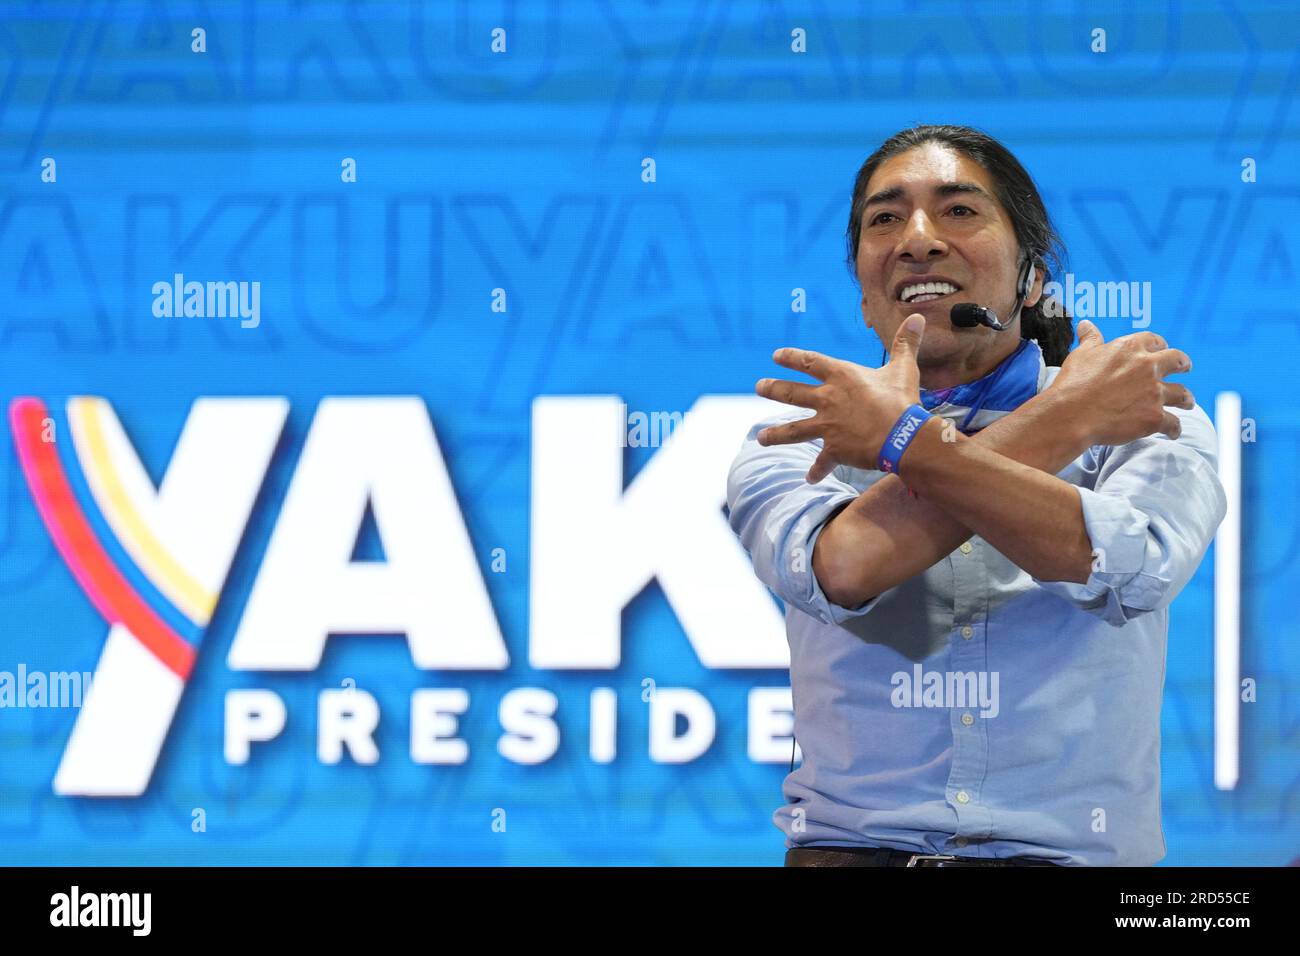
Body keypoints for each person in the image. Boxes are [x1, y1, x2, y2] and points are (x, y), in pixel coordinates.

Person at [725, 125, 1227, 867]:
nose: (917, 239)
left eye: (959, 211)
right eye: (884, 219)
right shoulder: (796, 438)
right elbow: (845, 566)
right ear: (867, 296)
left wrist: (906, 444)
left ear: (1032, 278)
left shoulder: (1144, 416)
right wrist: (1064, 418)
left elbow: (1126, 572)